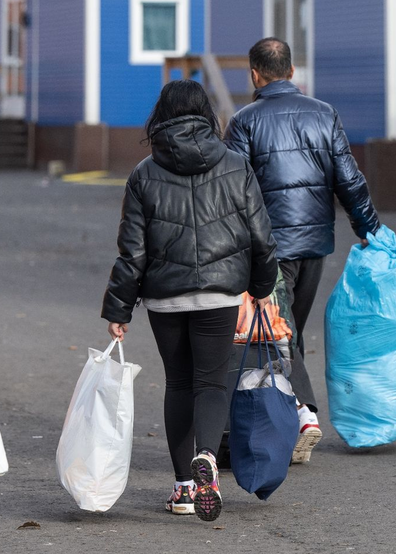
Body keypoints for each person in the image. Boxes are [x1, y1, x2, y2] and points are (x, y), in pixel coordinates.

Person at [103, 80, 278, 522]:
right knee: (211, 383)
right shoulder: (236, 165)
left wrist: (118, 309)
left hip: (165, 298)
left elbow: (133, 251)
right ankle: (208, 457)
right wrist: (260, 288)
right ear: (206, 113)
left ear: (160, 115)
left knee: (178, 384)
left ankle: (184, 488)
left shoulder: (144, 172)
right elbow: (262, 238)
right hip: (221, 293)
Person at [225, 37, 381, 464]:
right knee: (289, 329)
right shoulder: (324, 114)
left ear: (254, 74)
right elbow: (349, 179)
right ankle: (291, 416)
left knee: (280, 332)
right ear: (292, 72)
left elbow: (232, 187)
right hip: (315, 244)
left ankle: (304, 413)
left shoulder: (244, 121)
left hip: (269, 247)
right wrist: (370, 229)